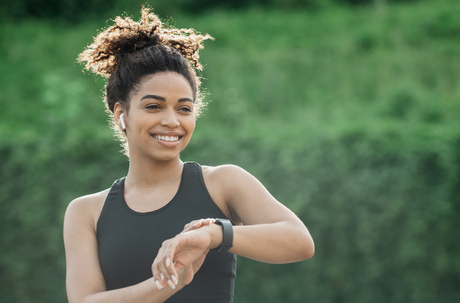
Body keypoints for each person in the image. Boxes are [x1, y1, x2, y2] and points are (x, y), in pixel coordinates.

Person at [63, 7, 315, 303]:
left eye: (184, 108)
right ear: (122, 114)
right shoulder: (86, 213)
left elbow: (299, 241)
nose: (172, 121)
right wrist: (170, 283)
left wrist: (212, 235)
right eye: (154, 106)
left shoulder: (223, 183)